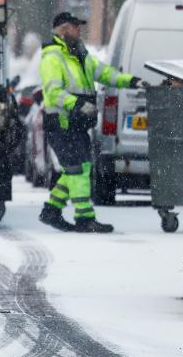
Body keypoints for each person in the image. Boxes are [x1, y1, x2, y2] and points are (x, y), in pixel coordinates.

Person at [38, 12, 147, 233]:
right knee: (77, 169)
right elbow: (53, 92)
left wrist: (132, 81)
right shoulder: (53, 57)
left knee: (80, 168)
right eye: (76, 28)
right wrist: (76, 104)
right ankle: (84, 218)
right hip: (62, 123)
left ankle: (51, 210)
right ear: (65, 30)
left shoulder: (80, 55)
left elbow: (105, 74)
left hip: (77, 123)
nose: (80, 32)